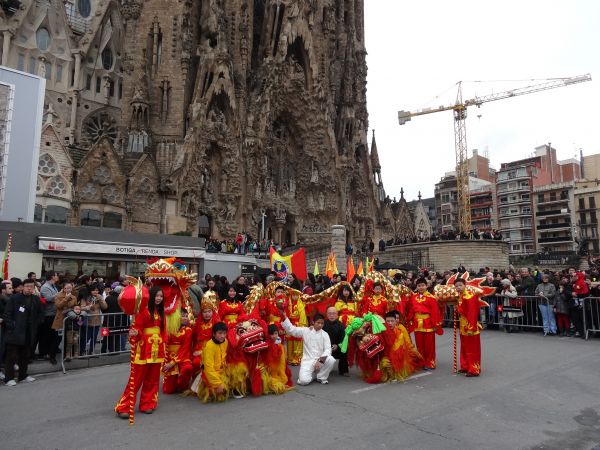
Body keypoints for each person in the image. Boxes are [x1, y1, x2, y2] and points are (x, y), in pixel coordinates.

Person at [115, 287, 167, 417]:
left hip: (157, 349)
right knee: (136, 379)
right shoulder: (142, 310)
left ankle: (147, 403)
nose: (159, 298)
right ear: (151, 296)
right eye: (156, 296)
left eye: (161, 296)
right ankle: (125, 407)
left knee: (152, 379)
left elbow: (163, 331)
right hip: (143, 349)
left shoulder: (161, 312)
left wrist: (164, 346)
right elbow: (137, 328)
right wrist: (135, 332)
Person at [3, 279, 43, 386]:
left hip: (29, 332)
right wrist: (13, 326)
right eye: (27, 286)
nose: (29, 288)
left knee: (25, 356)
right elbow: (7, 314)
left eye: (31, 286)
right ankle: (8, 378)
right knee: (11, 357)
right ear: (22, 287)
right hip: (15, 333)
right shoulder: (15, 298)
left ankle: (23, 376)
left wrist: (36, 323)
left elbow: (40, 314)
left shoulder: (35, 299)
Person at [280, 308, 335, 385]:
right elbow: (292, 330)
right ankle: (313, 375)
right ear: (313, 322)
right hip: (308, 360)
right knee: (303, 381)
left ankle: (321, 377)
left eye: (322, 323)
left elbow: (328, 350)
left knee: (331, 359)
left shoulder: (325, 334)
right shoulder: (306, 331)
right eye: (318, 323)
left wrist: (320, 361)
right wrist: (285, 317)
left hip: (320, 360)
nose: (320, 325)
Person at [406, 278, 443, 370]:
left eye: (422, 285)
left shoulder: (431, 298)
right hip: (417, 323)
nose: (421, 287)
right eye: (419, 286)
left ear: (426, 286)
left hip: (428, 323)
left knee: (429, 345)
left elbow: (435, 312)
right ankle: (421, 361)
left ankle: (430, 362)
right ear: (417, 287)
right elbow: (411, 310)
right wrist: (408, 320)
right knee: (419, 345)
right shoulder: (413, 297)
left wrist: (435, 324)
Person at [454, 278, 485, 377]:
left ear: (465, 285)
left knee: (472, 349)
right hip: (463, 325)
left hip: (470, 325)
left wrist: (471, 328)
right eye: (456, 286)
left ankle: (474, 369)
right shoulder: (460, 296)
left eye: (460, 285)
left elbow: (472, 313)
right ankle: (465, 366)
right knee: (464, 347)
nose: (458, 287)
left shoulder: (470, 296)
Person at [163, 308, 194, 394]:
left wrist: (172, 363)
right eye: (182, 316)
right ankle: (172, 381)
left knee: (188, 368)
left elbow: (185, 348)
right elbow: (165, 346)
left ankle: (182, 386)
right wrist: (166, 361)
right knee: (168, 390)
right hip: (169, 357)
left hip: (183, 356)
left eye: (186, 316)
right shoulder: (168, 330)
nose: (185, 318)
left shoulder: (188, 330)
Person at [197, 322, 229, 402]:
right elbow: (208, 368)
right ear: (214, 334)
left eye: (224, 333)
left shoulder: (225, 341)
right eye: (220, 333)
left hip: (222, 370)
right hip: (211, 373)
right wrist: (217, 384)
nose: (222, 336)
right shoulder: (209, 347)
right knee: (218, 396)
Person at [261, 324, 293, 394]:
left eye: (275, 333)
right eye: (271, 334)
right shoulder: (267, 345)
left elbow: (282, 364)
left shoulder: (280, 345)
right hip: (271, 370)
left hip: (279, 368)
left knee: (283, 375)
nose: (274, 336)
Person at [51, 282, 78, 359]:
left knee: (68, 339)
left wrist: (74, 310)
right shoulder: (58, 296)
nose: (69, 289)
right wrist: (66, 298)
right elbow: (58, 306)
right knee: (57, 339)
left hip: (69, 320)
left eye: (70, 287)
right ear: (63, 288)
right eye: (67, 288)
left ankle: (66, 356)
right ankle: (52, 356)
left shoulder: (74, 297)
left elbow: (75, 306)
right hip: (60, 319)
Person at [79, 283, 108, 355]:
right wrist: (88, 307)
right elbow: (81, 308)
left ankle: (91, 351)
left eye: (97, 290)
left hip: (97, 321)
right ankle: (82, 350)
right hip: (87, 321)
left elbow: (105, 307)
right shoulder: (85, 298)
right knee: (86, 337)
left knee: (94, 337)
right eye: (94, 290)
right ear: (90, 291)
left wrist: (101, 299)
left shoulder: (99, 297)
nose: (95, 292)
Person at [38, 270, 60, 364]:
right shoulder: (45, 287)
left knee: (53, 334)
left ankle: (51, 351)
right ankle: (44, 352)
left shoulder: (54, 286)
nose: (57, 276)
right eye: (56, 275)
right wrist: (61, 293)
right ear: (52, 277)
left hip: (54, 313)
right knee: (47, 334)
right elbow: (49, 298)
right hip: (48, 314)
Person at [323, 306, 348, 376]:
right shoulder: (323, 324)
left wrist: (337, 345)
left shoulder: (341, 326)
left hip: (337, 348)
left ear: (337, 315)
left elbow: (343, 339)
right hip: (325, 348)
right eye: (330, 313)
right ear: (327, 314)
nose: (331, 315)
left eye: (334, 313)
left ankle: (343, 370)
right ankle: (321, 368)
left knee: (344, 350)